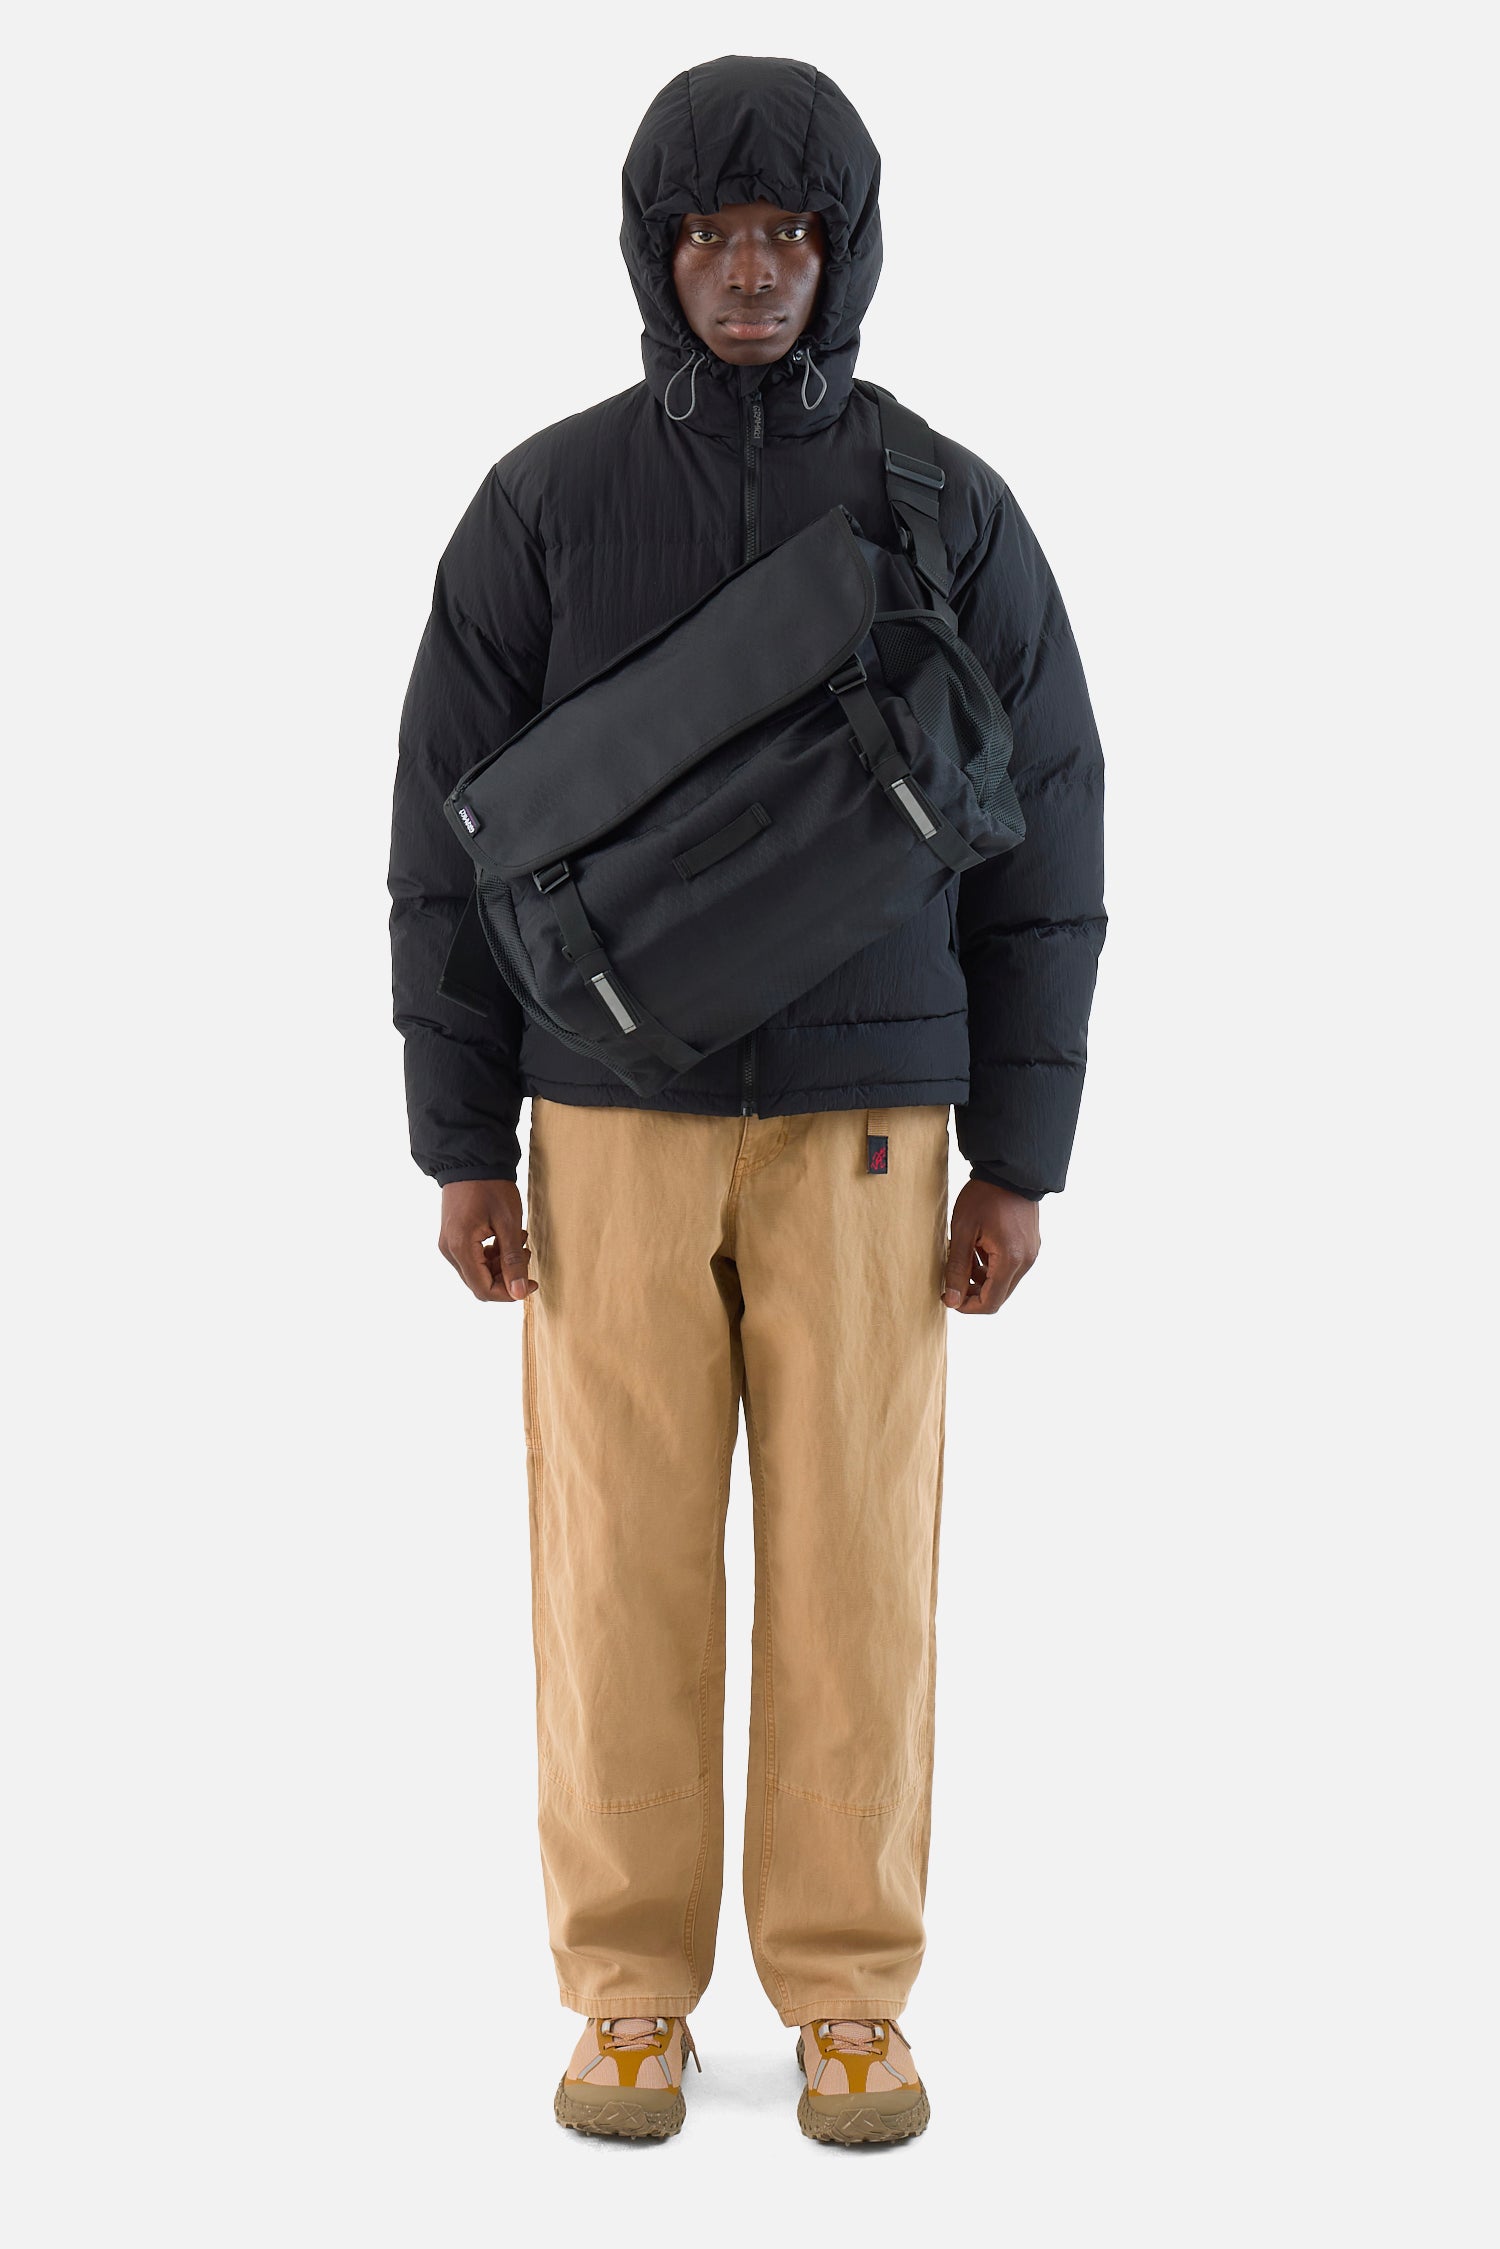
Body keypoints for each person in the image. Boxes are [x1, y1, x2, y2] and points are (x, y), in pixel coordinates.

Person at [389, 53, 1106, 2145]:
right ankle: (627, 1991)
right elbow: (443, 837)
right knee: (616, 1557)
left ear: (844, 250)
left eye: (788, 233)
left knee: (857, 1565)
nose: (751, 271)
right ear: (656, 251)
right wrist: (461, 1138)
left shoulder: (950, 508)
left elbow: (1052, 823)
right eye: (712, 233)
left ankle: (850, 1994)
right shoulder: (541, 506)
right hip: (605, 1122)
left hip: (875, 1127)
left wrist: (1022, 1158)